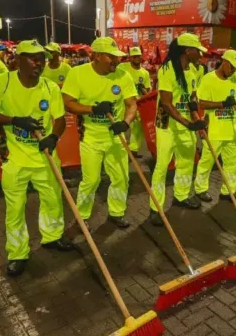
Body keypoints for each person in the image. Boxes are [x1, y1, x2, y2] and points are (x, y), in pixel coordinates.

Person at [0, 40, 77, 276]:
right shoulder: (2, 82)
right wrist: (14, 120)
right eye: (32, 58)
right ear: (17, 60)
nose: (38, 62)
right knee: (15, 209)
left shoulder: (50, 87)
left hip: (45, 158)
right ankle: (17, 253)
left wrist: (53, 137)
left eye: (41, 58)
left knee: (53, 201)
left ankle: (52, 237)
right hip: (16, 160)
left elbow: (60, 118)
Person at [62, 37, 138, 228]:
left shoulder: (123, 76)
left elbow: (131, 105)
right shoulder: (77, 74)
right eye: (110, 56)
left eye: (117, 57)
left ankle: (116, 212)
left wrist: (125, 123)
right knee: (91, 180)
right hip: (91, 137)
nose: (116, 60)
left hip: (116, 137)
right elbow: (68, 103)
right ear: (95, 56)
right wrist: (92, 109)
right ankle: (82, 217)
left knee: (121, 177)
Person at [148, 34, 207, 225]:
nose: (200, 55)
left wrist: (197, 122)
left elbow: (191, 101)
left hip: (184, 125)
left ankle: (181, 196)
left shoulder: (193, 72)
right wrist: (187, 123)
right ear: (187, 50)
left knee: (187, 161)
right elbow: (166, 104)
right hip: (167, 126)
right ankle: (155, 208)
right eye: (198, 51)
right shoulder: (167, 70)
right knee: (162, 166)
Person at [194, 50, 236, 201]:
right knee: (207, 162)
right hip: (214, 130)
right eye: (232, 67)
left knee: (233, 163)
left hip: (232, 130)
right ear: (224, 63)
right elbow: (202, 103)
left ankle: (228, 191)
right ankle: (200, 189)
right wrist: (222, 104)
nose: (233, 71)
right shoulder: (208, 79)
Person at [117, 46, 152, 158]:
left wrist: (144, 90)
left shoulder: (145, 73)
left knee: (137, 127)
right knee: (119, 124)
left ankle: (133, 150)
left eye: (138, 56)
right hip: (122, 102)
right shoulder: (122, 67)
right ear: (130, 58)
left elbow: (147, 90)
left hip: (136, 104)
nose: (137, 58)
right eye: (134, 56)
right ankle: (119, 149)